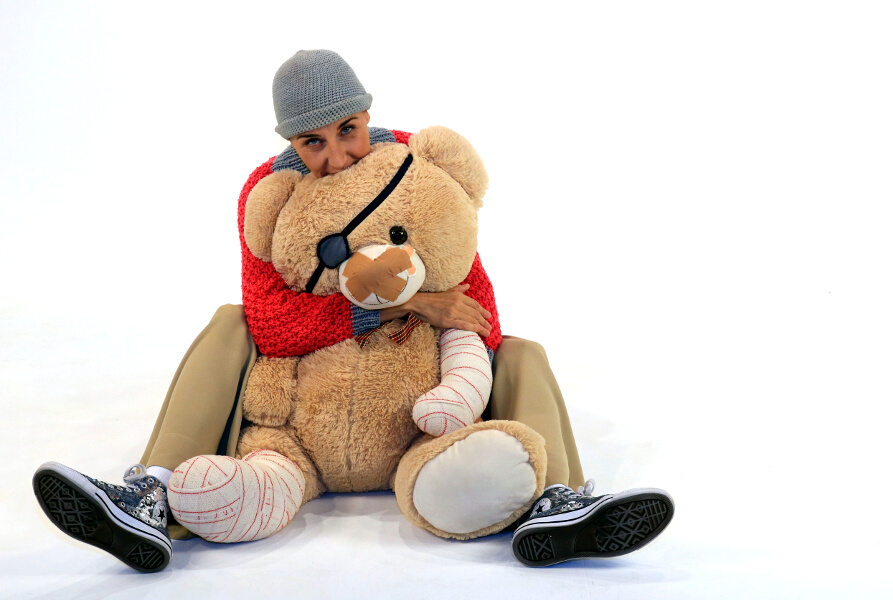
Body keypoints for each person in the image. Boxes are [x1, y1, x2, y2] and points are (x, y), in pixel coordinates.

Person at [32, 50, 673, 573]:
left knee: (519, 351)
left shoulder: (411, 167)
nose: (337, 156)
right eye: (312, 142)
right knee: (230, 322)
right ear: (289, 141)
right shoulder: (269, 190)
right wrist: (405, 304)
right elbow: (272, 323)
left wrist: (460, 365)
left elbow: (469, 294)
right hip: (304, 399)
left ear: (368, 113)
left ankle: (557, 500)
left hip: (411, 398)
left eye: (348, 130)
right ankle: (149, 493)